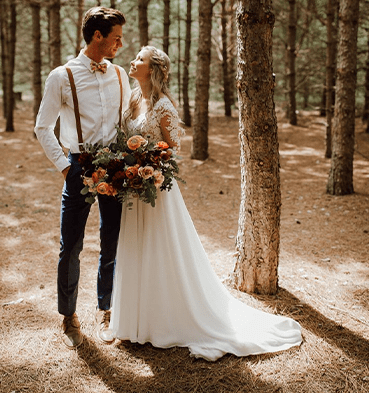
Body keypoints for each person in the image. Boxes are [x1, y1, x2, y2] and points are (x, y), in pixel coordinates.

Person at [108, 46, 302, 361]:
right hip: (134, 190)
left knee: (159, 249)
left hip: (155, 189)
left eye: (140, 59)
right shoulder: (131, 100)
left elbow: (172, 149)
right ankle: (135, 324)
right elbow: (120, 139)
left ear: (154, 68)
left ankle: (165, 320)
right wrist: (124, 163)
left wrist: (146, 159)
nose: (133, 61)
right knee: (135, 249)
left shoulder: (163, 106)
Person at [34, 7, 131, 349]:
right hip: (78, 166)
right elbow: (42, 127)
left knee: (112, 242)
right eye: (116, 37)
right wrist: (65, 166)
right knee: (71, 245)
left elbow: (128, 123)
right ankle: (69, 315)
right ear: (97, 36)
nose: (121, 43)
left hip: (116, 166)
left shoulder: (120, 74)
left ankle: (107, 308)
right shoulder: (61, 76)